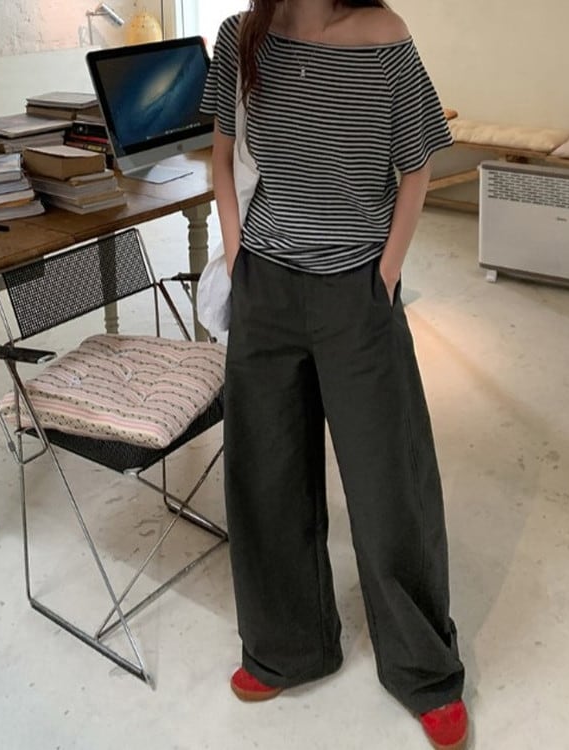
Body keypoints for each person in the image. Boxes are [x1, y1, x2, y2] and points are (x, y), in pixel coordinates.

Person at [201, 1, 467, 747]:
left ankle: (424, 670)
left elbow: (416, 168)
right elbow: (221, 154)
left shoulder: (385, 39)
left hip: (357, 293)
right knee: (266, 477)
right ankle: (287, 648)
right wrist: (237, 255)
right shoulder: (241, 38)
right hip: (265, 286)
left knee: (390, 486)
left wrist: (385, 274)